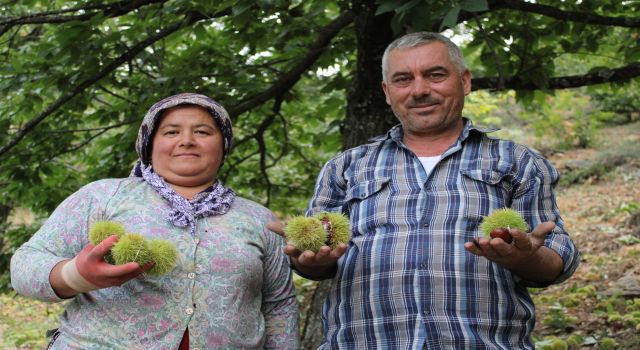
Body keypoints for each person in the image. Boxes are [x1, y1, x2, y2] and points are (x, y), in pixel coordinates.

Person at [271, 32, 580, 349]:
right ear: (387, 92)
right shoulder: (346, 168)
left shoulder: (517, 162)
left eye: (435, 75)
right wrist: (310, 260)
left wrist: (525, 257)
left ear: (465, 81)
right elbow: (316, 254)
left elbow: (558, 260)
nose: (419, 90)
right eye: (403, 79)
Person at [10, 93, 299, 349]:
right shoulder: (103, 196)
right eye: (171, 132)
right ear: (149, 145)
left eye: (202, 131)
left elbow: (279, 306)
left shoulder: (259, 219)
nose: (187, 140)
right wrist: (75, 275)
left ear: (223, 146)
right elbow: (25, 264)